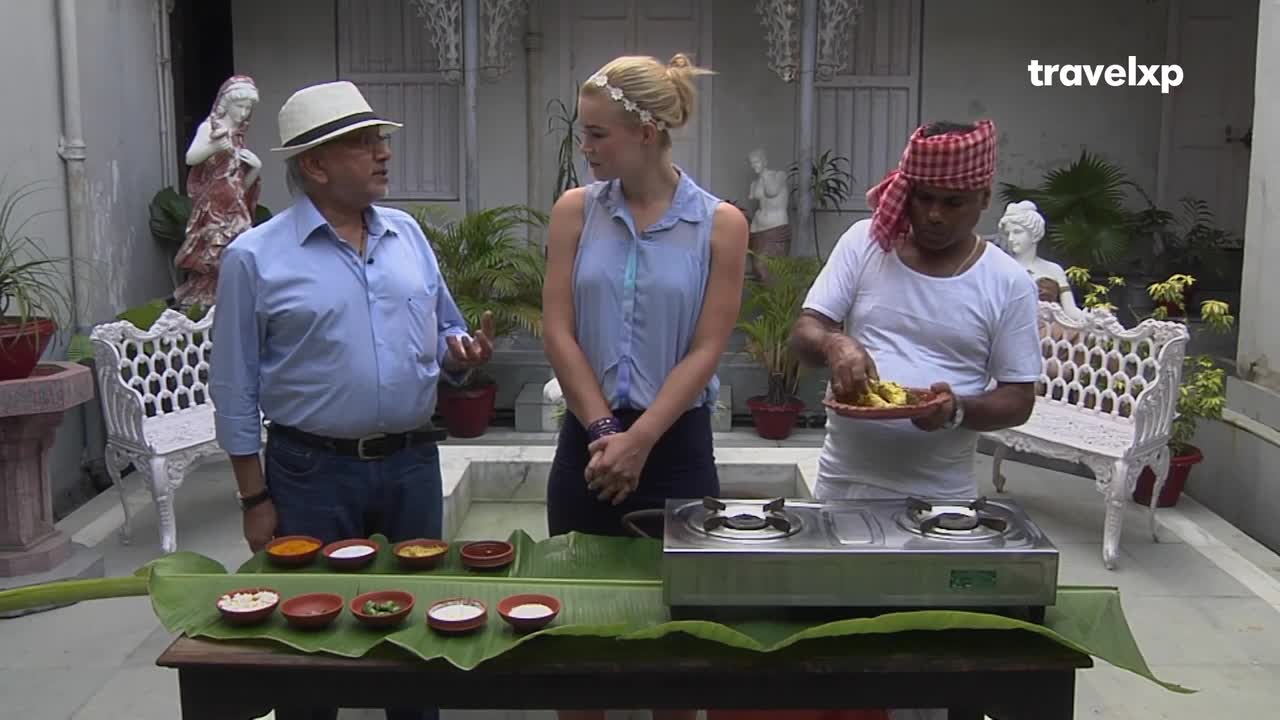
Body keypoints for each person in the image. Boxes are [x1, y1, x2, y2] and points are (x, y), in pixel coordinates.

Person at [209, 80, 494, 720]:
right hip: (311, 473)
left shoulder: (408, 236)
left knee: (419, 634)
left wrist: (459, 352)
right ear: (314, 164)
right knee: (312, 643)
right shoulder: (254, 258)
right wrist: (254, 498)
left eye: (381, 141)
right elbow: (233, 386)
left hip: (412, 464)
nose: (383, 154)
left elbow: (446, 326)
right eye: (364, 144)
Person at [787, 120, 1042, 720]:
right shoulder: (864, 245)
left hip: (941, 507)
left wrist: (956, 410)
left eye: (951, 202)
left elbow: (1019, 397)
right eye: (922, 196)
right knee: (837, 660)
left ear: (983, 197)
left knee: (921, 673)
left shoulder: (1006, 283)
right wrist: (836, 346)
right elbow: (807, 328)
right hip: (844, 488)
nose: (932, 214)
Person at [540, 53, 749, 720]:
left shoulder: (719, 225)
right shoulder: (575, 212)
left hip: (676, 447)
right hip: (588, 442)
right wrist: (607, 433)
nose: (586, 147)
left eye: (598, 134)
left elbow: (707, 346)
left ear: (648, 132)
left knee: (677, 646)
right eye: (585, 132)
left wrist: (642, 440)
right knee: (577, 639)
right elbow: (558, 330)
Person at [174, 74, 263, 309]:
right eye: (240, 106)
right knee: (214, 252)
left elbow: (238, 186)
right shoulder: (211, 128)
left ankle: (232, 294)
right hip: (212, 207)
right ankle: (206, 299)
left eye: (248, 108)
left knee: (241, 246)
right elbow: (191, 157)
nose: (244, 113)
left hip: (234, 206)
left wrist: (255, 168)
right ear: (226, 104)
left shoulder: (237, 137)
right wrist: (213, 146)